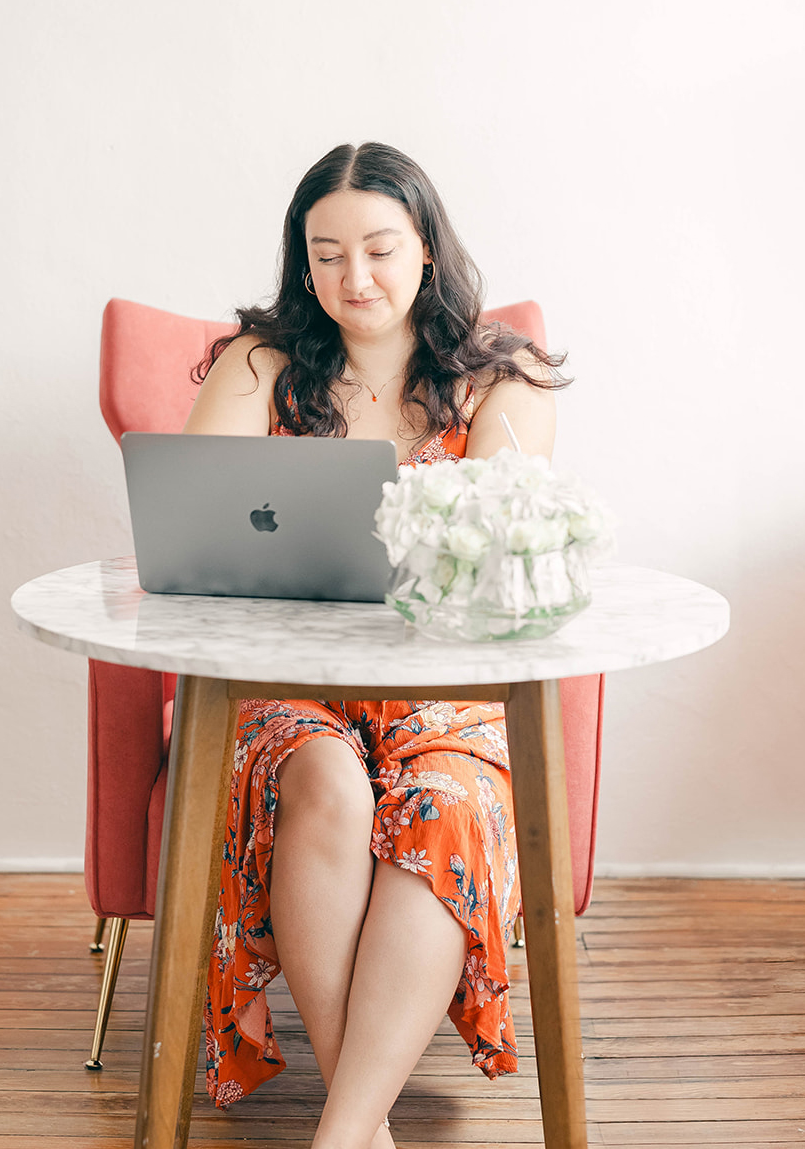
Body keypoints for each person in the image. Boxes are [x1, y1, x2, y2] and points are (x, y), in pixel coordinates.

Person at [183, 141, 568, 1149]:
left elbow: (494, 554)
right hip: (286, 682)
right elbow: (194, 527)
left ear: (427, 250)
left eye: (382, 249)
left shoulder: (502, 379)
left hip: (448, 693)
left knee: (446, 806)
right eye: (327, 254)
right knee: (327, 784)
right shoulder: (259, 366)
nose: (356, 278)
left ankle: (344, 1133)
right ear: (302, 264)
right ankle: (365, 1131)